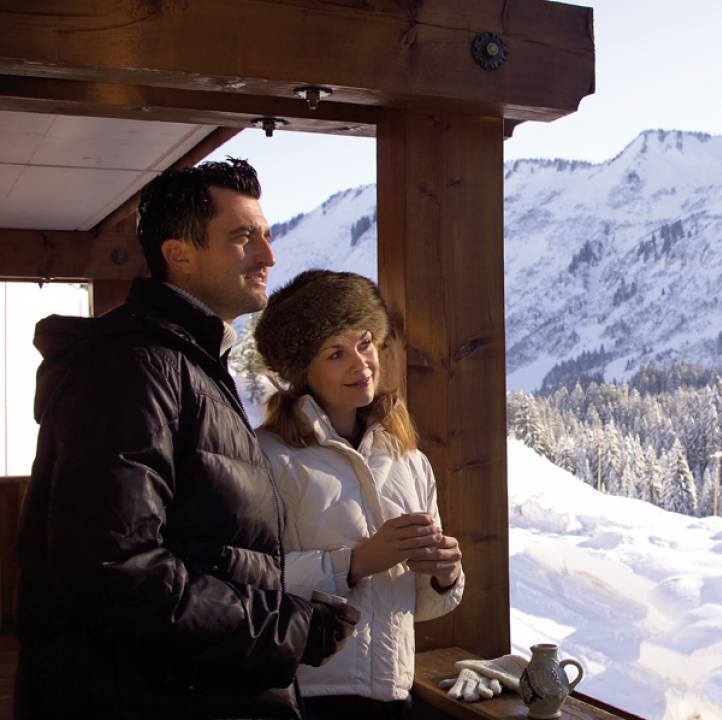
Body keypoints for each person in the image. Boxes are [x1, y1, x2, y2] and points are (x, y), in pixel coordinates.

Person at [15, 159, 357, 720]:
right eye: (244, 238)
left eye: (267, 237)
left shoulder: (186, 363)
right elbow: (116, 571)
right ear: (180, 255)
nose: (269, 256)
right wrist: (286, 629)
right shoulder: (134, 369)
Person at [253, 270, 464, 720]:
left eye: (365, 343)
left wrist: (443, 573)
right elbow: (252, 582)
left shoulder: (407, 458)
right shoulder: (268, 458)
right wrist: (357, 561)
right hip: (309, 699)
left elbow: (420, 607)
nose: (361, 363)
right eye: (335, 353)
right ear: (301, 373)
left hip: (395, 696)